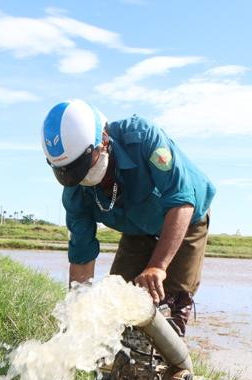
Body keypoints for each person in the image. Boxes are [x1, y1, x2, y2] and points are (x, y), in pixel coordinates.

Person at [41, 100, 216, 336]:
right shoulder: (75, 194)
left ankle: (174, 366)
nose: (81, 177)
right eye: (70, 172)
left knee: (170, 307)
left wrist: (157, 266)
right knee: (117, 305)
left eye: (83, 165)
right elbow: (81, 258)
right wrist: (77, 317)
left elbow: (181, 201)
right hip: (137, 230)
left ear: (103, 140)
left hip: (185, 218)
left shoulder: (142, 138)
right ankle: (123, 367)